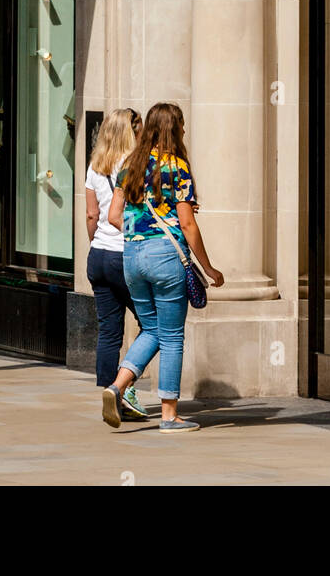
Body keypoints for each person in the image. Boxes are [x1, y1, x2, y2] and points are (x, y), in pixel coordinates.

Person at [103, 102, 223, 434]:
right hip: (166, 258)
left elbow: (113, 216)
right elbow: (187, 224)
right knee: (171, 336)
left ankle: (116, 388)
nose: (185, 130)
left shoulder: (130, 164)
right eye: (181, 125)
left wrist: (138, 233)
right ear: (174, 129)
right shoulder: (178, 167)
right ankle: (169, 416)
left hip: (132, 256)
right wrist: (210, 269)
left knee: (152, 330)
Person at [85, 107, 147, 422]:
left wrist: (95, 242)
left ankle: (109, 392)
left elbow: (91, 215)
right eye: (139, 129)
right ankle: (123, 389)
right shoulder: (136, 166)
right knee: (153, 325)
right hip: (126, 253)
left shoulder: (95, 166)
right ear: (130, 131)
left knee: (109, 330)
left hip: (97, 255)